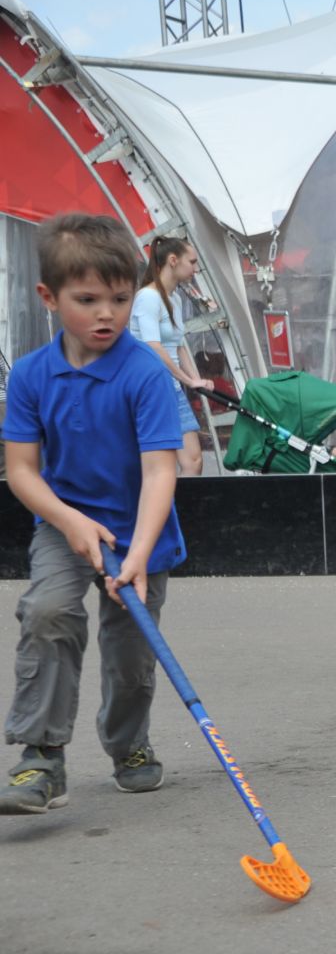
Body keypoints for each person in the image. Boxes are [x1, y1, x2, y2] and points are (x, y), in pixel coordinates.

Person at [0, 213, 188, 813]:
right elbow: (22, 470)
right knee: (48, 612)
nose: (106, 314)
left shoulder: (144, 374)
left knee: (131, 648)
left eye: (120, 299)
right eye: (87, 300)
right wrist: (72, 522)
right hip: (65, 523)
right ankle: (41, 756)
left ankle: (129, 744)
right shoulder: (30, 376)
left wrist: (135, 555)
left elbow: (162, 471)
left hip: (140, 529)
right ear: (49, 299)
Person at [130, 236, 211, 477]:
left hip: (170, 387)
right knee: (160, 465)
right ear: (173, 261)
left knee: (193, 461)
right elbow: (153, 346)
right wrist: (189, 381)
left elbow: (178, 346)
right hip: (149, 389)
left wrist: (198, 381)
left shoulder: (174, 298)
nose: (195, 269)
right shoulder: (147, 297)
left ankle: (180, 512)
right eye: (192, 262)